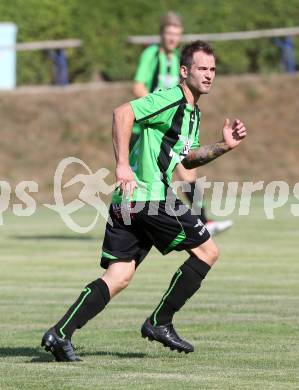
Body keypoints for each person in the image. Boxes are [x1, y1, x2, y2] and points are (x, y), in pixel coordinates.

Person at [41, 40, 247, 361]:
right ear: (184, 71)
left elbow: (188, 160)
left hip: (129, 201)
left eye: (212, 69)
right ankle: (159, 322)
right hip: (150, 197)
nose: (208, 75)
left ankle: (59, 333)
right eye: (201, 68)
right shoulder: (172, 98)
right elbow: (123, 112)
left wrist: (223, 145)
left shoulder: (192, 114)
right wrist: (122, 164)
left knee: (119, 276)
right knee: (208, 251)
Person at [132, 11, 232, 235]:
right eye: (169, 33)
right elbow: (138, 86)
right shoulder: (151, 55)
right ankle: (134, 222)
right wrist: (157, 108)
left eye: (176, 34)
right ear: (161, 34)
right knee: (144, 180)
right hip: (148, 128)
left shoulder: (178, 58)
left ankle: (202, 222)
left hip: (171, 126)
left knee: (188, 170)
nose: (172, 39)